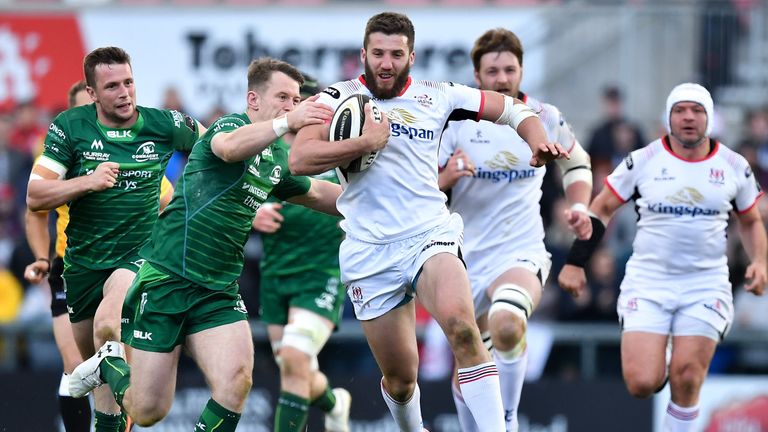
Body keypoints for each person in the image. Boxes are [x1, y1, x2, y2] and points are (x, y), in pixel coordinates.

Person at [289, 12, 568, 432]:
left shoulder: (437, 95)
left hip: (429, 235)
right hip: (369, 250)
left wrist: (534, 138)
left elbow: (511, 109)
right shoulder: (335, 98)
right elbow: (299, 159)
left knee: (463, 328)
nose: (386, 63)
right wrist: (365, 143)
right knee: (401, 381)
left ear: (412, 57)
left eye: (396, 54)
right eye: (378, 53)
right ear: (363, 54)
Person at [68, 58, 341, 432]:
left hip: (217, 290)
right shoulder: (232, 126)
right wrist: (288, 122)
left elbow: (319, 193)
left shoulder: (276, 156)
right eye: (283, 97)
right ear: (254, 99)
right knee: (148, 411)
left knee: (237, 381)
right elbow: (228, 149)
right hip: (167, 279)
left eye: (296, 100)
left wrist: (381, 200)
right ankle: (108, 366)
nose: (292, 106)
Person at [558, 83, 767, 432]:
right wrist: (576, 261)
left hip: (705, 284)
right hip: (649, 281)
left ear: (709, 118)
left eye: (697, 111)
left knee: (687, 376)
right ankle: (664, 349)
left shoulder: (734, 166)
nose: (688, 117)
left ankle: (679, 359)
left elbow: (750, 221)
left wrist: (760, 261)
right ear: (668, 118)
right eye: (680, 110)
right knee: (642, 382)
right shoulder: (642, 160)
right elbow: (602, 208)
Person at [26, 47, 204, 432]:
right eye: (112, 86)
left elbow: (218, 149)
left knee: (110, 324)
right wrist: (88, 182)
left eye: (129, 82)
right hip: (82, 266)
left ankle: (138, 398)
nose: (124, 92)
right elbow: (35, 197)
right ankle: (129, 403)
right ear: (92, 93)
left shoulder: (164, 124)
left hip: (141, 256)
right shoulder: (69, 127)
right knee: (101, 384)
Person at [436, 28, 593, 432]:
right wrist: (447, 176)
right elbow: (420, 186)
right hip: (463, 259)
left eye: (510, 69)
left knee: (508, 321)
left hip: (520, 252)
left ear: (521, 70)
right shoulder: (454, 121)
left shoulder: (544, 117)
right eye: (493, 71)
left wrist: (578, 205)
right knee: (466, 376)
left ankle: (508, 420)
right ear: (477, 75)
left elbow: (577, 163)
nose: (502, 78)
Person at [252, 74, 351, 432]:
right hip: (276, 276)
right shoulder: (267, 151)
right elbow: (230, 196)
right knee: (295, 367)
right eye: (295, 104)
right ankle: (334, 402)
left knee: (295, 358)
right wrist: (252, 212)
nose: (302, 111)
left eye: (310, 106)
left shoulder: (337, 152)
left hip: (321, 273)